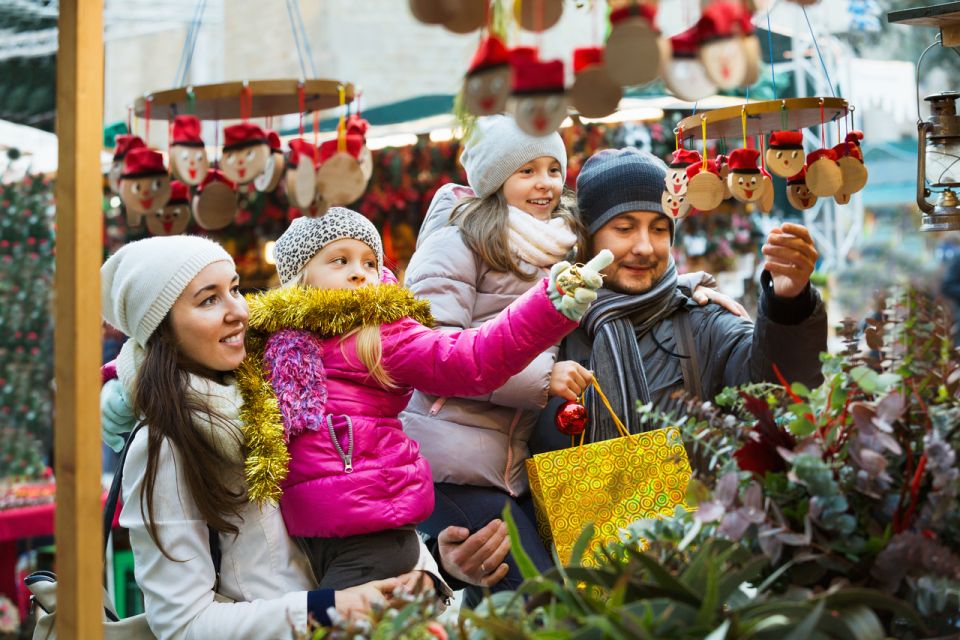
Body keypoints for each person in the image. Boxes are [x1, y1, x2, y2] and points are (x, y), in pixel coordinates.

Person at [400, 115, 741, 602]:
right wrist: (542, 377)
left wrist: (684, 286)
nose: (543, 183)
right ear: (496, 180)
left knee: (549, 598)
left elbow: (617, 268)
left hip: (506, 466)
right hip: (453, 456)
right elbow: (431, 351)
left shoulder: (556, 245)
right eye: (526, 171)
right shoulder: (461, 241)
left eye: (553, 169)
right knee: (541, 601)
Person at [239, 207, 606, 592]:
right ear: (300, 278)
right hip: (311, 535)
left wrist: (546, 306)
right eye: (339, 260)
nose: (358, 272)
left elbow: (471, 357)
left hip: (372, 534)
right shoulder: (276, 346)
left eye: (368, 262)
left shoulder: (379, 334)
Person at [99, 235, 447, 639]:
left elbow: (353, 514)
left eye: (234, 289)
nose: (238, 312)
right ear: (163, 329)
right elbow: (181, 624)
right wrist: (325, 609)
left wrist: (430, 573)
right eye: (208, 300)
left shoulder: (280, 384)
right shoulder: (166, 445)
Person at [536, 147, 827, 450]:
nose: (645, 247)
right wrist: (540, 383)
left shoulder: (702, 320)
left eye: (660, 229)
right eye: (625, 228)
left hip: (693, 498)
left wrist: (788, 302)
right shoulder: (547, 325)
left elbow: (776, 393)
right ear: (588, 237)